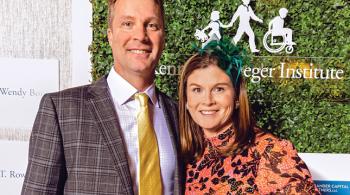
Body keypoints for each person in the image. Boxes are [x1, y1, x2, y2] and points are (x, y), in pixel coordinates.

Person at [21, 0, 182, 194]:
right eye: (128, 24)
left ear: (163, 36)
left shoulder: (180, 115)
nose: (140, 35)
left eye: (151, 25)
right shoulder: (61, 110)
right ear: (110, 36)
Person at [178, 40, 320, 194]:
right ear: (186, 99)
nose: (207, 101)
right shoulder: (181, 153)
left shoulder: (269, 151)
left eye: (219, 89)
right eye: (197, 90)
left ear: (237, 97)